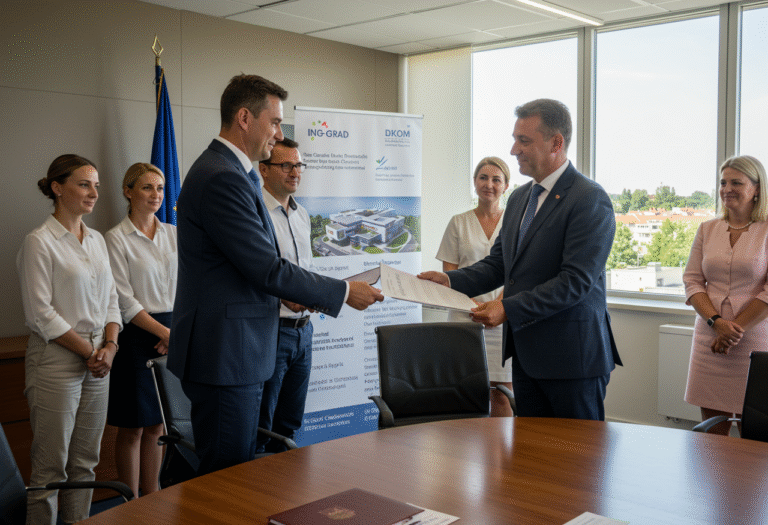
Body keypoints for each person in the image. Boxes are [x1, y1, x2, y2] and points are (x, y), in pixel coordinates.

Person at [168, 74, 383, 476]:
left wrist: (293, 294)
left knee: (239, 470)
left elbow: (250, 265)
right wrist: (340, 292)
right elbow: (266, 267)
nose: (279, 133)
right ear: (245, 118)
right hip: (226, 355)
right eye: (276, 122)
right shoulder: (222, 177)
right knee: (227, 478)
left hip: (237, 350)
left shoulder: (236, 172)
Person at [419, 98, 621, 421]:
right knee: (530, 460)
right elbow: (499, 264)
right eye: (514, 139)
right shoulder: (519, 198)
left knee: (575, 466)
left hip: (573, 362)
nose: (513, 150)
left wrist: (507, 307)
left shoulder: (589, 200)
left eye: (523, 140)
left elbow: (575, 283)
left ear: (556, 143)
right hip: (527, 359)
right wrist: (449, 280)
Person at [17, 154, 121, 525]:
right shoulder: (38, 242)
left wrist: (109, 346)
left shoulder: (95, 239)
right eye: (84, 184)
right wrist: (90, 352)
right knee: (50, 467)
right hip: (57, 361)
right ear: (58, 188)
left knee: (85, 463)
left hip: (99, 359)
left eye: (96, 184)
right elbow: (40, 314)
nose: (94, 192)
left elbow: (112, 300)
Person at [105, 163, 177, 496]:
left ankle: (153, 497)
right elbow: (123, 300)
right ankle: (129, 502)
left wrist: (172, 333)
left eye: (160, 188)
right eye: (147, 187)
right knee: (132, 427)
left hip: (173, 330)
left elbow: (190, 286)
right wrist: (163, 333)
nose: (156, 195)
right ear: (128, 191)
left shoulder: (173, 234)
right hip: (136, 335)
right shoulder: (114, 239)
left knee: (158, 425)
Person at [683, 155, 768, 436]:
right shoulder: (707, 229)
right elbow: (693, 281)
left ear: (757, 188)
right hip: (710, 342)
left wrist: (733, 331)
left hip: (755, 344)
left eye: (736, 182)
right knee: (712, 438)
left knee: (753, 439)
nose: (726, 188)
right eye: (723, 182)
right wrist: (717, 323)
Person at [436, 156, 513, 416]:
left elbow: (516, 273)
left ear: (506, 186)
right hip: (463, 318)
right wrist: (473, 305)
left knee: (502, 395)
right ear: (474, 182)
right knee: (463, 393)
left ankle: (501, 456)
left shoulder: (515, 223)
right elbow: (450, 274)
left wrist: (498, 304)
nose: (488, 184)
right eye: (483, 177)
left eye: (496, 179)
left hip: (503, 320)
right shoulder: (458, 222)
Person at [255, 138, 314, 452]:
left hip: (304, 332)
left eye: (299, 165)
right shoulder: (255, 212)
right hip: (272, 331)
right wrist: (284, 297)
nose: (295, 172)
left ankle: (286, 496)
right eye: (286, 165)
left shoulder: (302, 215)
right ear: (264, 170)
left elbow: (304, 272)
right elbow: (255, 272)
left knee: (289, 425)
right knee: (262, 428)